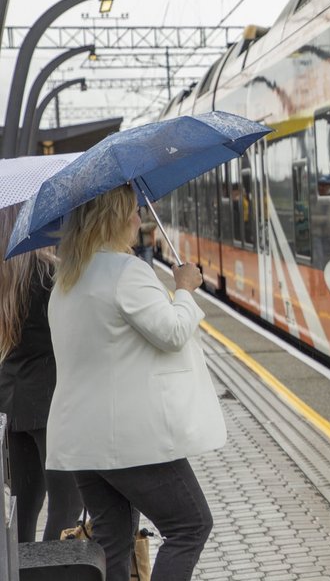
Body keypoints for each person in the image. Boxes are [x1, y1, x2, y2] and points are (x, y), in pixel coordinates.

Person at [46, 185, 226, 581]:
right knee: (190, 525)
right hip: (129, 439)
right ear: (112, 217)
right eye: (131, 211)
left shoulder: (67, 280)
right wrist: (184, 289)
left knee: (113, 539)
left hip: (80, 438)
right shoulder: (127, 272)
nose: (138, 219)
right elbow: (173, 333)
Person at [0, 203, 84, 543]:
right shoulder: (51, 275)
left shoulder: (7, 276)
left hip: (11, 399)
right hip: (52, 401)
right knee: (67, 505)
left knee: (24, 504)